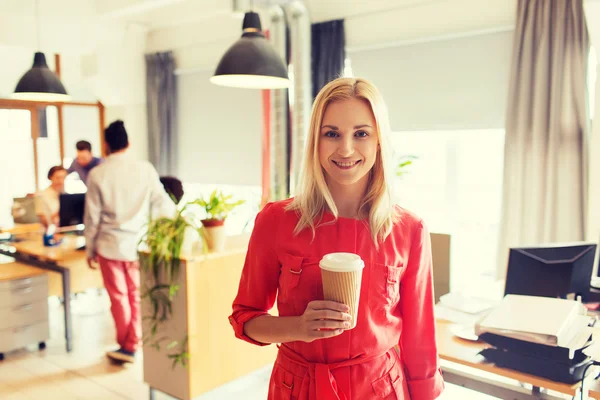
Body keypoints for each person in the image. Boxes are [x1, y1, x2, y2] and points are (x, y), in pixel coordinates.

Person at [229, 78, 444, 399]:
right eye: (331, 134)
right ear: (315, 141)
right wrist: (299, 327)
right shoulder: (275, 220)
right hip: (297, 388)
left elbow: (420, 335)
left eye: (361, 133)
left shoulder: (408, 229)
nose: (345, 149)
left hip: (379, 388)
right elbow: (245, 318)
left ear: (379, 142)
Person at [84, 120, 175, 364]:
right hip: (139, 244)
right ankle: (133, 342)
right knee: (135, 296)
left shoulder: (98, 174)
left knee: (119, 298)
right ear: (129, 143)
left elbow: (91, 218)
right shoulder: (144, 169)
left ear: (106, 145)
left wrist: (90, 248)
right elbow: (162, 202)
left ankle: (128, 347)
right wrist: (162, 233)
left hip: (109, 246)